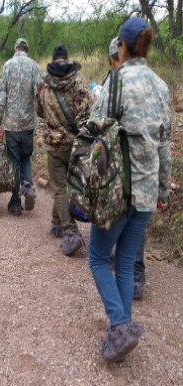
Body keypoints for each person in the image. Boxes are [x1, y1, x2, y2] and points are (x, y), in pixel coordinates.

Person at [89, 17, 171, 362]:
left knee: (97, 258)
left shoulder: (116, 82)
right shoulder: (161, 86)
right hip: (147, 193)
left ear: (122, 46)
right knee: (124, 263)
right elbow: (164, 145)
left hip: (118, 191)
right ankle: (118, 338)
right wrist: (163, 191)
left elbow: (94, 129)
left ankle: (121, 324)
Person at [36, 45, 91, 256]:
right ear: (66, 59)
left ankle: (71, 233)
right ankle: (56, 222)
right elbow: (86, 112)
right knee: (69, 186)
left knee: (59, 188)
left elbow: (38, 110)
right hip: (75, 144)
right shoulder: (77, 80)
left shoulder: (43, 81)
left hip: (54, 144)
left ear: (53, 59)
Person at [107, 37, 147, 300]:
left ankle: (128, 268)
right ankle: (137, 275)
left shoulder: (114, 83)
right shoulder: (154, 83)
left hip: (120, 170)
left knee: (119, 214)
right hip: (145, 169)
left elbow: (98, 125)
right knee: (137, 221)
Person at [0, 38, 39, 216]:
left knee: (14, 162)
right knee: (25, 158)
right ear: (26, 50)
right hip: (28, 124)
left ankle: (15, 203)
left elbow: (1, 97)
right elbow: (39, 94)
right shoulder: (34, 66)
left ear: (15, 49)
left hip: (12, 125)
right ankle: (27, 188)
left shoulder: (7, 66)